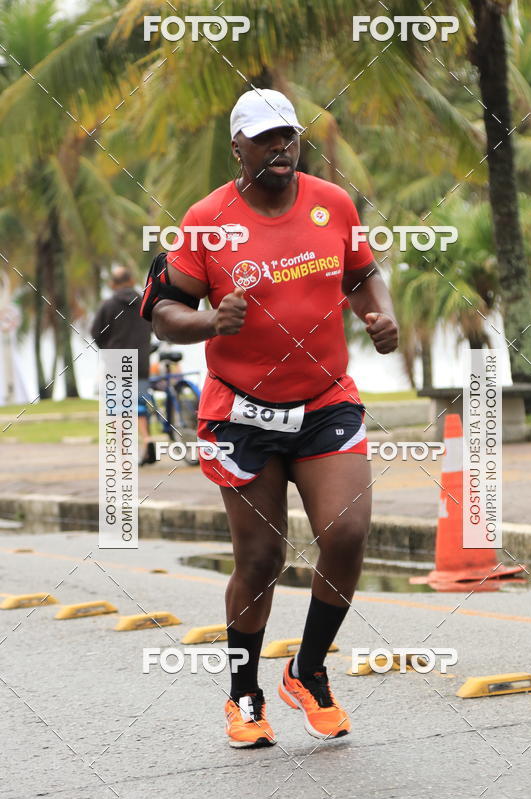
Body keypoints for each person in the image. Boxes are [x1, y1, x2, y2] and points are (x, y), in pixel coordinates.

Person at [145, 88, 398, 748]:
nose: (281, 149)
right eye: (266, 139)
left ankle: (308, 671)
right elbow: (163, 310)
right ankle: (243, 695)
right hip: (242, 413)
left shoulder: (332, 204)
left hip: (324, 402)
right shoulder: (207, 219)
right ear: (239, 148)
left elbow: (365, 271)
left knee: (346, 533)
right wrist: (208, 320)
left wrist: (380, 312)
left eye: (289, 137)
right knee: (261, 561)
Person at [91, 266, 155, 464]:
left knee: (118, 410)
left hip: (116, 364)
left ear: (113, 284)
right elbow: (153, 327)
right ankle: (147, 439)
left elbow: (96, 333)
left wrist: (108, 350)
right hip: (141, 363)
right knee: (139, 406)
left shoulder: (108, 305)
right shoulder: (144, 302)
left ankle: (126, 453)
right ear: (132, 280)